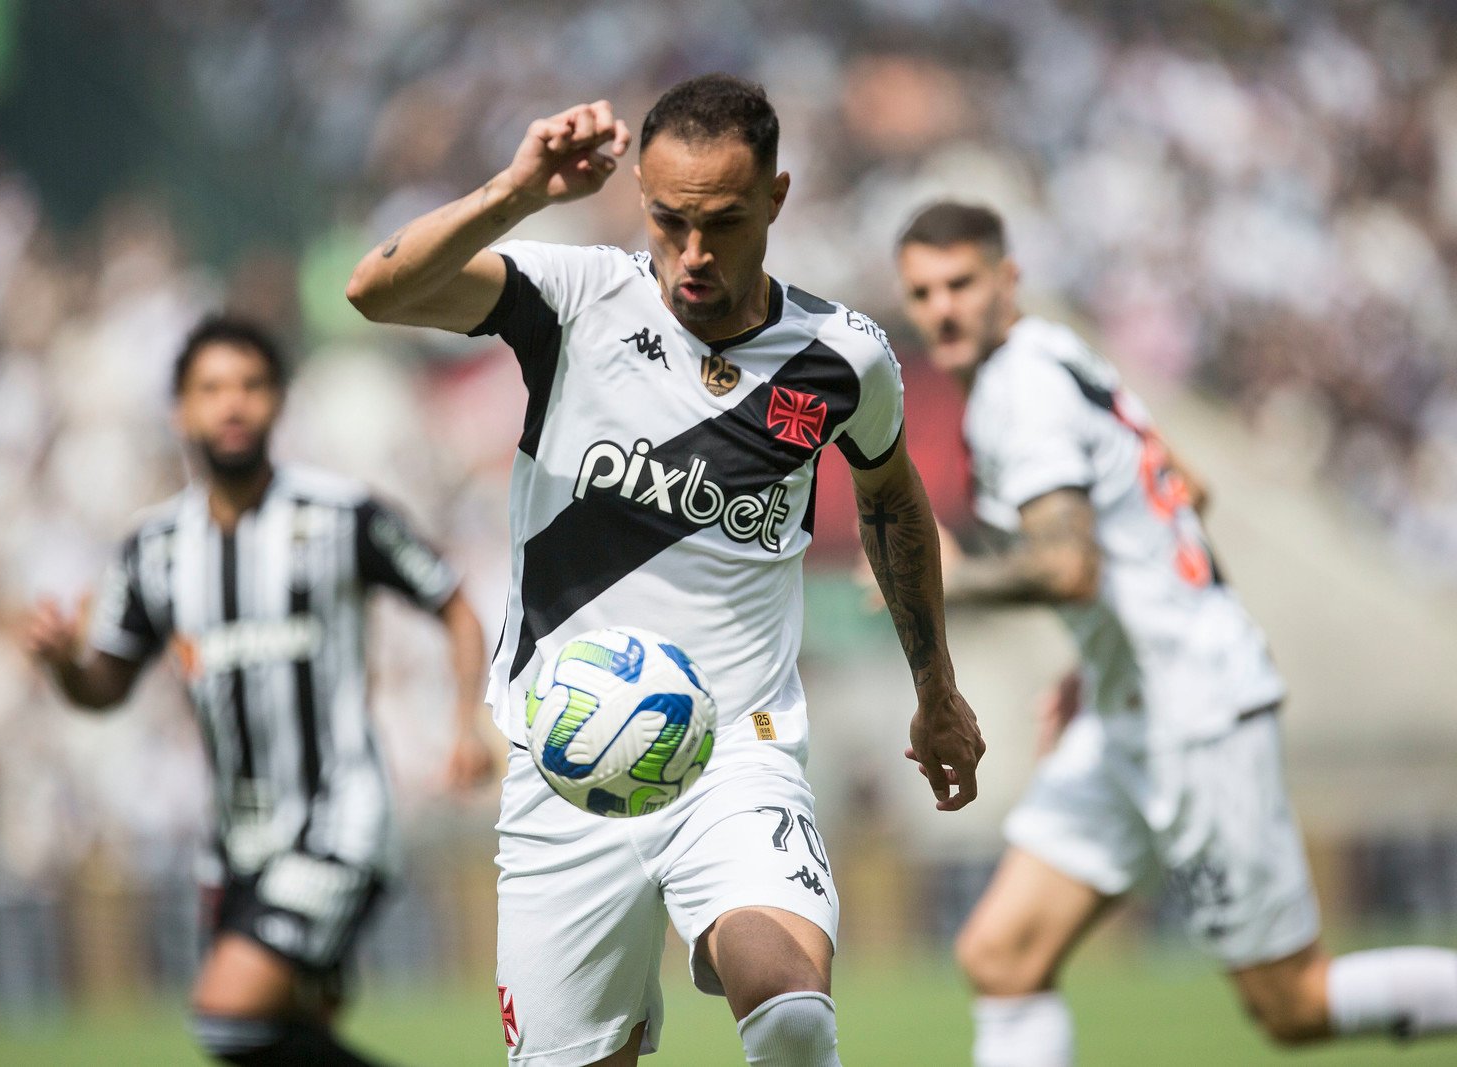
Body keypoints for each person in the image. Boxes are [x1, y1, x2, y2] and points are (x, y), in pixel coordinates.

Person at [347, 75, 984, 1066]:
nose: (692, 253)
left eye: (723, 222)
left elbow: (891, 499)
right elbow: (376, 290)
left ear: (774, 198)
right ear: (639, 191)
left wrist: (935, 690)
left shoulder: (839, 358)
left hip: (735, 745)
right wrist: (517, 191)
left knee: (792, 1019)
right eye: (668, 219)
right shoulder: (575, 298)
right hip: (564, 761)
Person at [895, 200, 1457, 1066]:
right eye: (923, 291)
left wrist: (950, 579)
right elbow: (1184, 487)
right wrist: (1104, 654)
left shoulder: (1019, 390)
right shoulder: (1059, 355)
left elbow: (1071, 566)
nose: (943, 308)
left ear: (1007, 281)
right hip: (1132, 707)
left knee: (1292, 1002)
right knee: (1001, 955)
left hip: (1195, 714)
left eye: (962, 283)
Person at [24, 315, 495, 1067]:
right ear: (180, 410)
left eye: (250, 386)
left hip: (339, 820)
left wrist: (467, 723)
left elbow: (454, 602)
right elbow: (104, 685)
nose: (232, 405)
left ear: (278, 403)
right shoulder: (155, 549)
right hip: (236, 846)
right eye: (212, 389)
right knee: (262, 1044)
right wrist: (61, 664)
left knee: (228, 1017)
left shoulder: (339, 515)